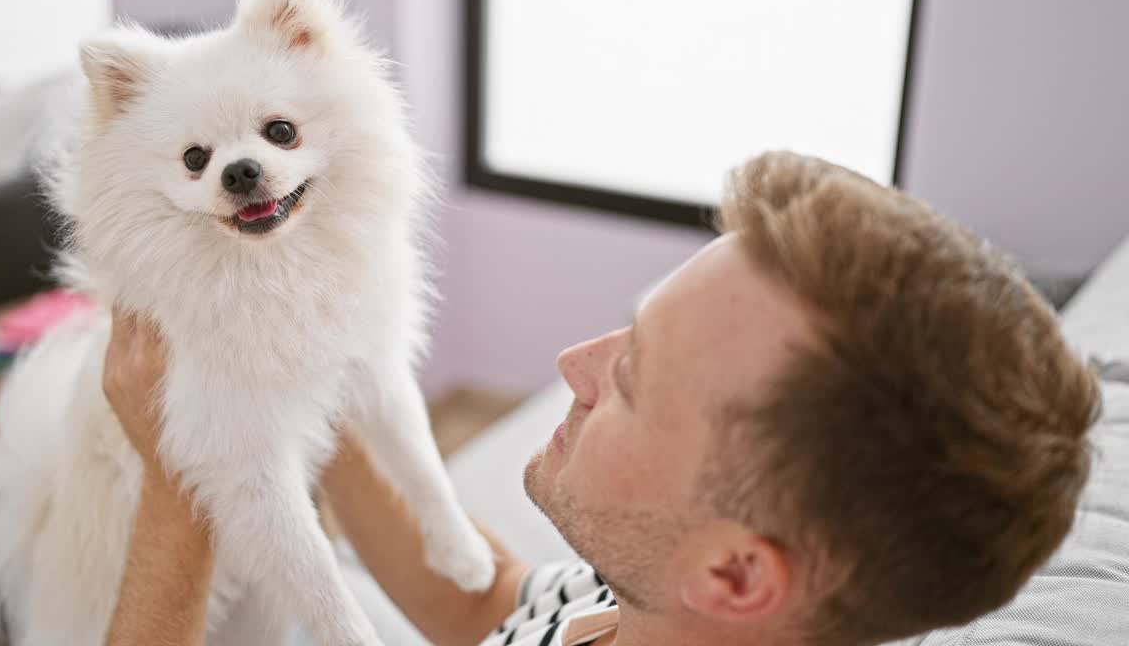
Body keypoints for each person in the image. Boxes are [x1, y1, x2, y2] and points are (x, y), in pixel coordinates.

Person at [101, 152, 1100, 646]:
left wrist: (185, 467)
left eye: (630, 380)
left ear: (739, 574)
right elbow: (494, 604)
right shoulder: (649, 603)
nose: (574, 362)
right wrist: (294, 400)